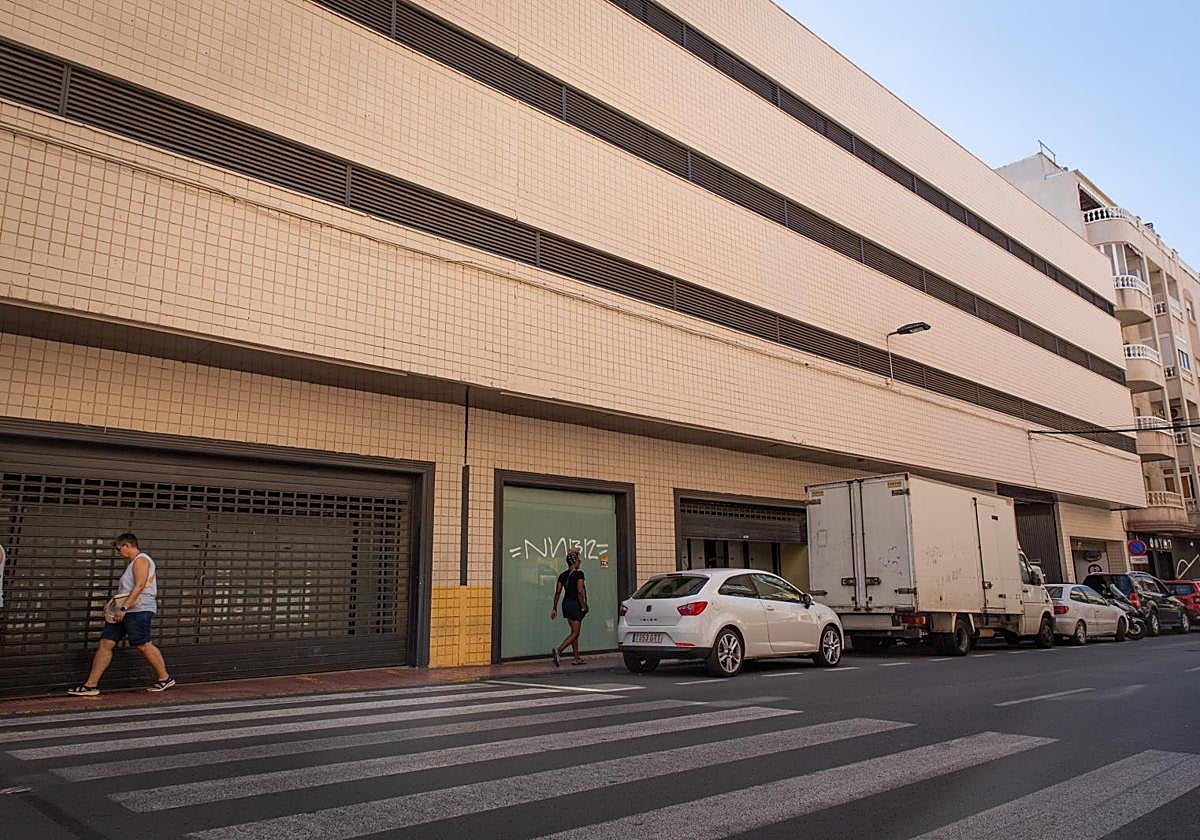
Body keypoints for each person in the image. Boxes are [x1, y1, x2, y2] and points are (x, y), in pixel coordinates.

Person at [68, 533, 175, 696]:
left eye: (119, 549)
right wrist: (115, 606)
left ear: (127, 545)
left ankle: (164, 678)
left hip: (138, 609)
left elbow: (139, 586)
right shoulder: (132, 563)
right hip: (123, 610)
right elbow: (127, 589)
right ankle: (91, 685)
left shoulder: (141, 560)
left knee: (143, 644)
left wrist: (123, 609)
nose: (119, 553)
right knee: (106, 643)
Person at [550, 546, 588, 666]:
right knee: (576, 633)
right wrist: (583, 606)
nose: (580, 562)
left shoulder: (562, 575)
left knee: (573, 632)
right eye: (578, 560)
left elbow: (557, 592)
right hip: (575, 605)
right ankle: (559, 650)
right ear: (575, 562)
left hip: (565, 604)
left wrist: (554, 608)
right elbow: (580, 591)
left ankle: (577, 658)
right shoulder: (579, 574)